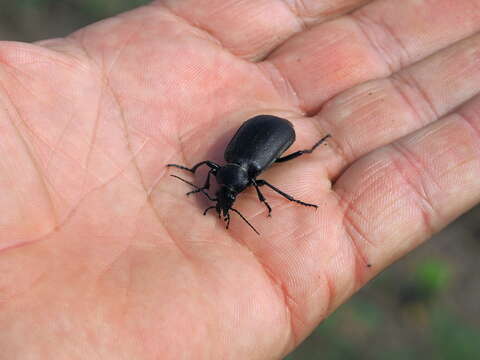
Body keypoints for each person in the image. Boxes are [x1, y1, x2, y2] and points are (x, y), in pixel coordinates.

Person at [0, 0, 479, 358]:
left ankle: (308, 152)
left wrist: (271, 195)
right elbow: (219, 176)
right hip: (261, 139)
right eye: (224, 193)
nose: (222, 196)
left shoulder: (244, 170)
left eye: (227, 193)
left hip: (270, 137)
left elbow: (251, 178)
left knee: (278, 174)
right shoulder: (229, 169)